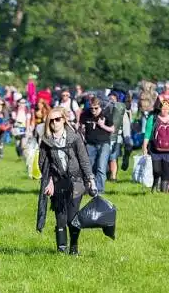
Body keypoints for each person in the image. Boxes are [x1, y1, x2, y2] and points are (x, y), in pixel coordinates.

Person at [37, 107, 97, 255]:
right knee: (60, 219)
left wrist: (91, 180)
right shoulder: (46, 141)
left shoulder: (75, 138)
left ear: (64, 120)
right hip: (58, 183)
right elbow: (43, 164)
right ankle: (61, 250)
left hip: (76, 182)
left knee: (72, 218)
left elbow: (84, 161)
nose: (54, 123)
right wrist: (49, 181)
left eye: (58, 119)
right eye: (51, 120)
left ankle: (74, 248)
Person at [142, 99, 169, 193]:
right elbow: (147, 134)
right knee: (157, 170)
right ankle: (155, 185)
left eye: (167, 109)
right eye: (163, 109)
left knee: (166, 171)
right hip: (155, 149)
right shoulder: (153, 118)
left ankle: (164, 191)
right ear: (160, 109)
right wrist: (144, 146)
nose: (165, 111)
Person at [79, 97, 114, 193]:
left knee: (101, 167)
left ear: (100, 107)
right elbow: (81, 127)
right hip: (90, 144)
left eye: (96, 108)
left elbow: (112, 129)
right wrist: (81, 130)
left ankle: (99, 191)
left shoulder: (106, 114)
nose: (93, 110)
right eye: (91, 108)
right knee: (90, 168)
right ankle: (91, 188)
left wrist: (102, 126)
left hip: (104, 144)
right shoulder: (85, 114)